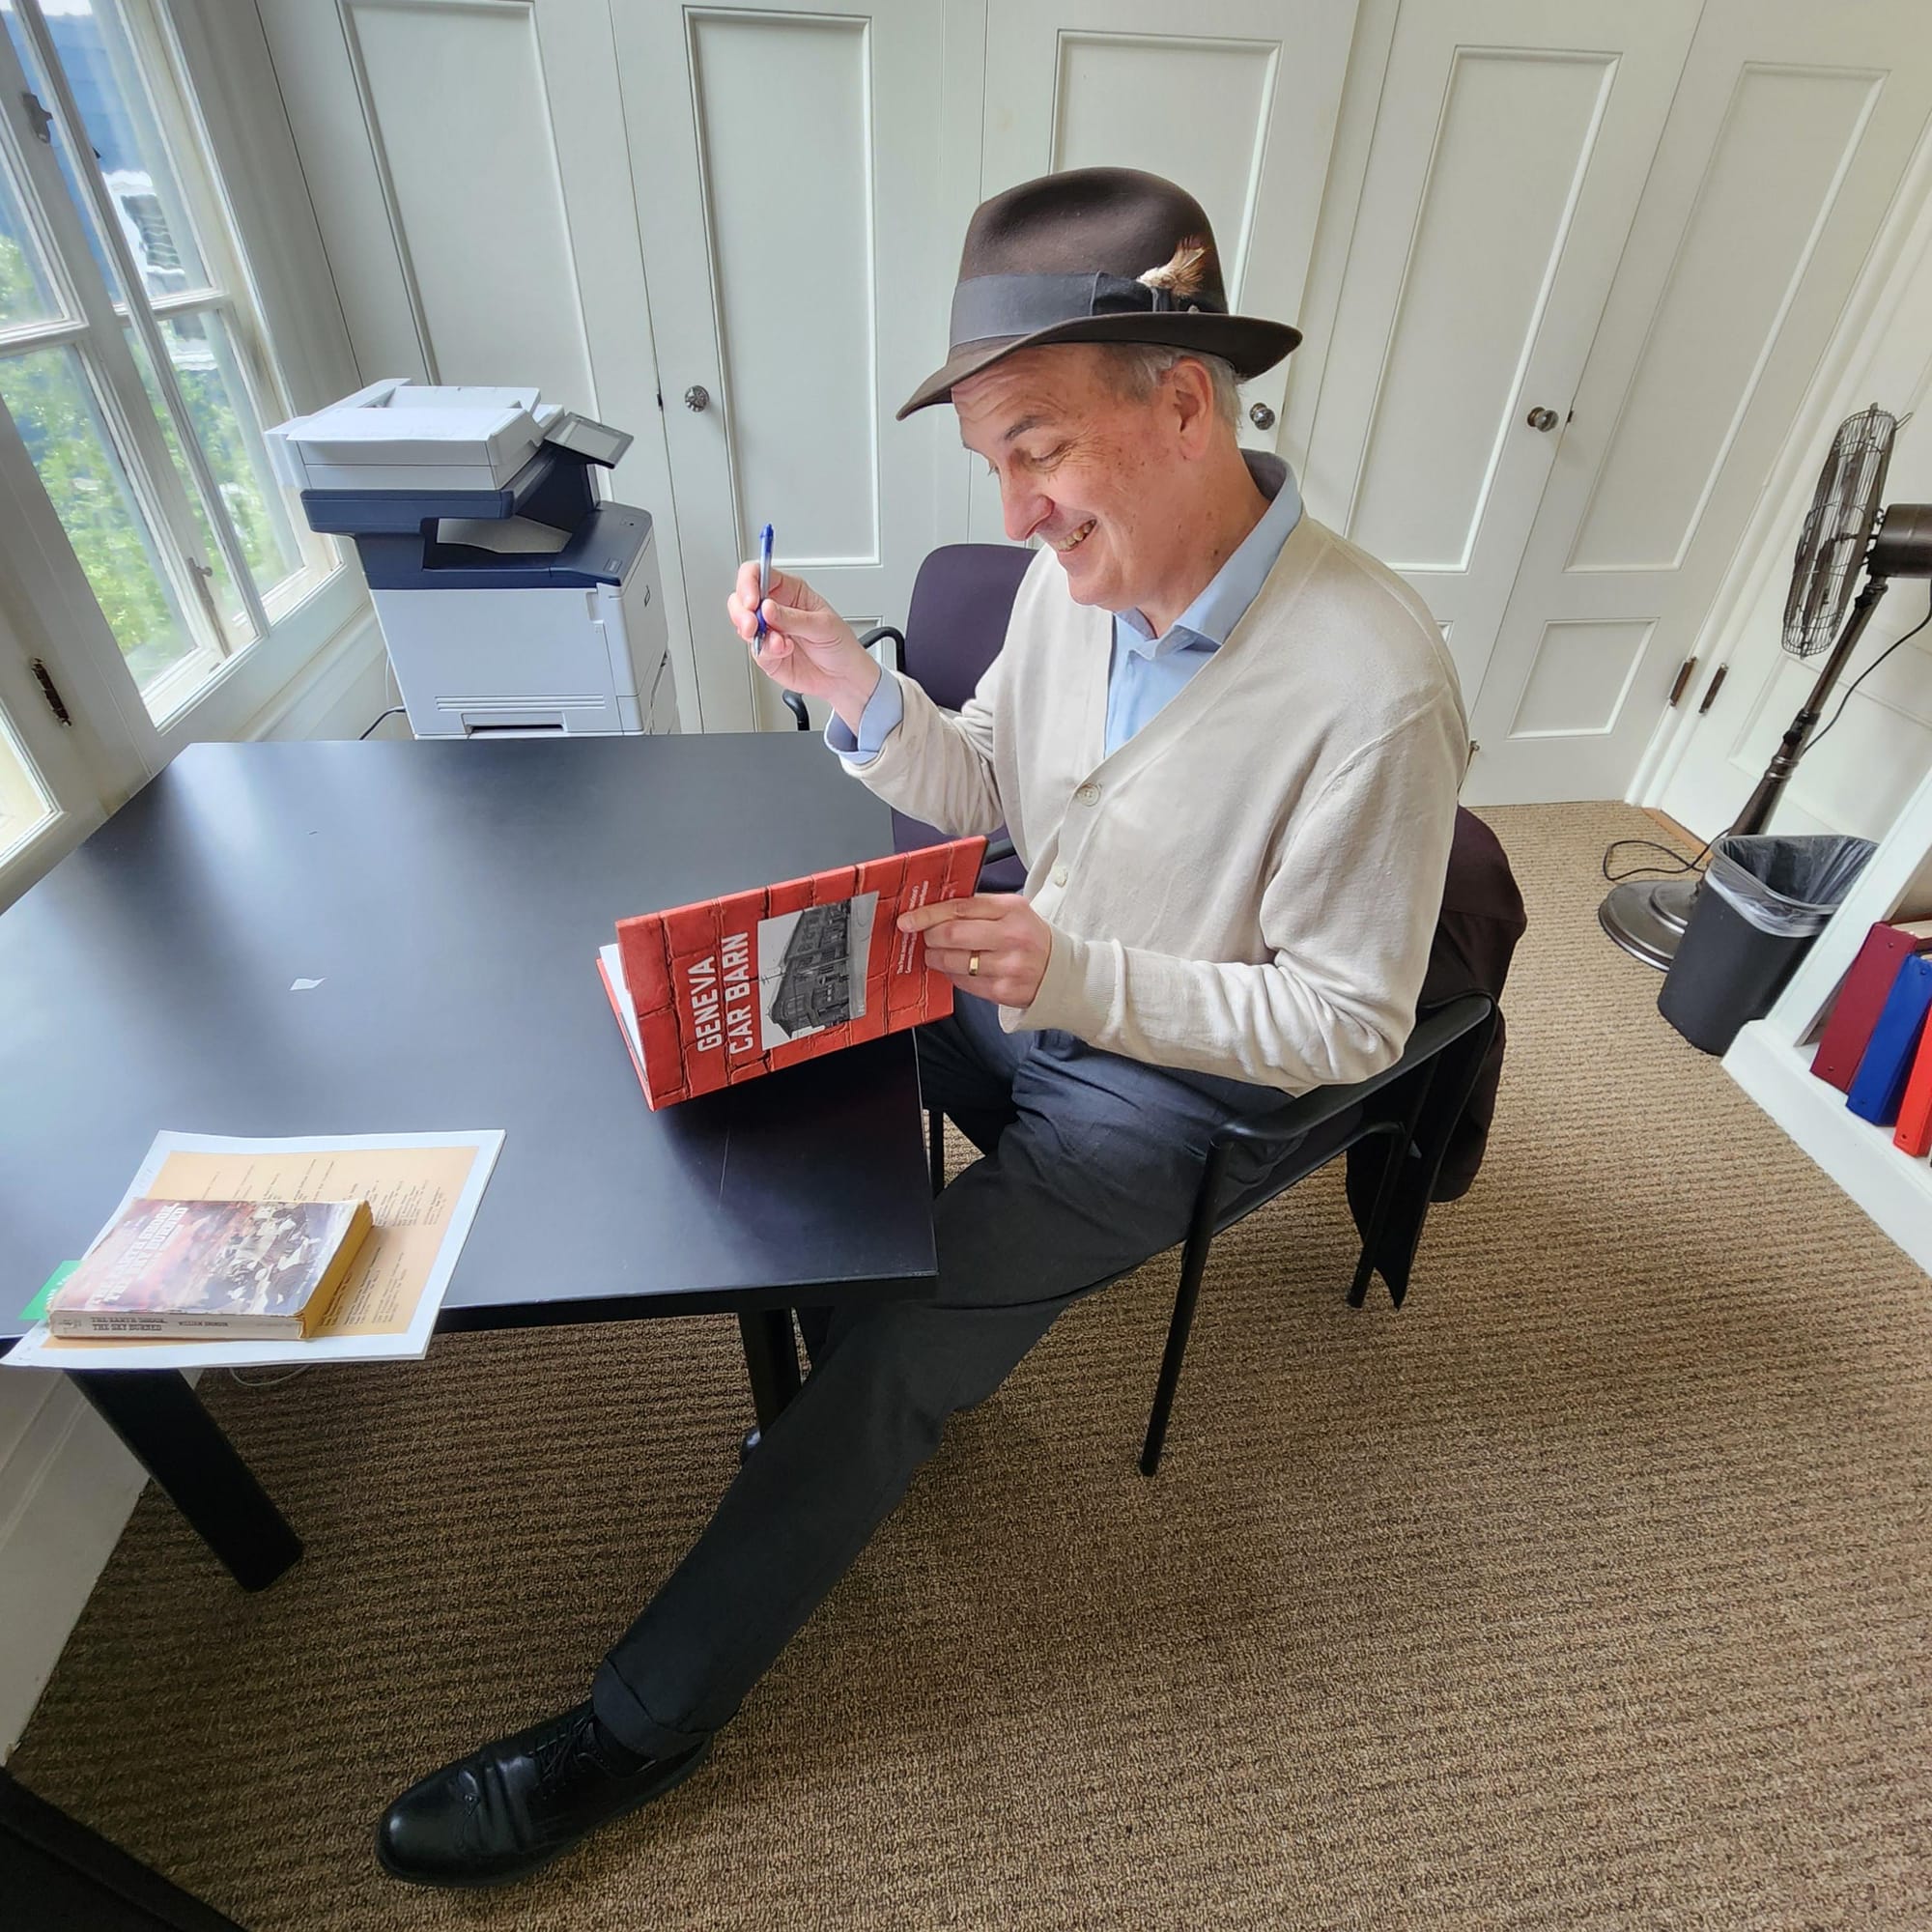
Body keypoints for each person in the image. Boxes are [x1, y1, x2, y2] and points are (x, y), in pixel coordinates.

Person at [376, 165, 1467, 1889]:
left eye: (1038, 447)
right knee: (782, 1042)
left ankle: (642, 1721)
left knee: (901, 1340)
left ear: (1182, 403)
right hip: (1030, 975)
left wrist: (1079, 980)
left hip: (1178, 1087)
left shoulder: (1375, 683)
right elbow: (999, 785)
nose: (1018, 511)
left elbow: (1346, 1020)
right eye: (997, 466)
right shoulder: (1080, 582)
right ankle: (832, 1365)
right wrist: (858, 692)